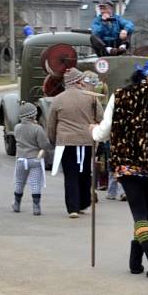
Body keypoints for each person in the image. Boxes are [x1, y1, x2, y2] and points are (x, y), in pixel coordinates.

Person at [91, 57, 148, 279]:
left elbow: (103, 132)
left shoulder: (119, 94)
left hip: (125, 162)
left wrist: (92, 132)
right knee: (142, 213)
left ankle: (135, 262)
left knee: (141, 213)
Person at [46, 67, 103, 217]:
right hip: (86, 141)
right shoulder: (91, 97)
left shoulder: (58, 99)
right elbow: (101, 117)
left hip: (66, 142)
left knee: (70, 174)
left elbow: (51, 123)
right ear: (78, 81)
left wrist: (53, 140)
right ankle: (83, 203)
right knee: (84, 172)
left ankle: (72, 208)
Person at [12, 101, 53, 215]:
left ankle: (16, 204)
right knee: (35, 183)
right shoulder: (37, 129)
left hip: (21, 159)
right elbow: (44, 145)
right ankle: (36, 207)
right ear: (33, 115)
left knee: (20, 182)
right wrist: (50, 146)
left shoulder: (17, 128)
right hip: (35, 159)